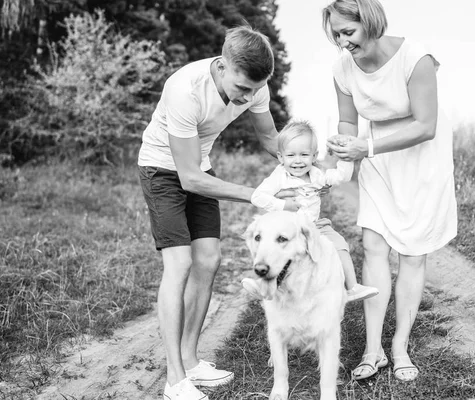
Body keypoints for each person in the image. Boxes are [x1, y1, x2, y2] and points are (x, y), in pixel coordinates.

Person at [138, 26, 296, 400]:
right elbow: (189, 179)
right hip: (162, 170)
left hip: (199, 167)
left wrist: (303, 167)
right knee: (179, 264)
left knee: (208, 261)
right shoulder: (185, 89)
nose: (248, 97)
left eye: (255, 90)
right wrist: (260, 197)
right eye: (242, 88)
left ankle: (191, 360)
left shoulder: (255, 87)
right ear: (222, 66)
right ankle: (175, 378)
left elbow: (271, 139)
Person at [321, 0, 458, 382]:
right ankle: (373, 349)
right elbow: (348, 121)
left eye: (348, 32)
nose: (342, 42)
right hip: (379, 158)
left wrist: (367, 148)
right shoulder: (341, 68)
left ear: (370, 22)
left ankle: (400, 345)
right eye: (336, 35)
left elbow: (426, 124)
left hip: (422, 159)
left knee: (412, 253)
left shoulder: (417, 58)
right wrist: (342, 166)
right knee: (374, 246)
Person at [242, 120, 379, 302]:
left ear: (314, 156)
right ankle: (264, 286)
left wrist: (345, 157)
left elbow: (341, 177)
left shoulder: (316, 175)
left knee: (339, 245)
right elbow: (258, 196)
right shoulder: (279, 176)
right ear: (281, 157)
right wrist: (283, 206)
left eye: (304, 155)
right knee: (271, 251)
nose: (297, 161)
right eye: (290, 155)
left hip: (314, 226)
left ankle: (352, 287)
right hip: (285, 229)